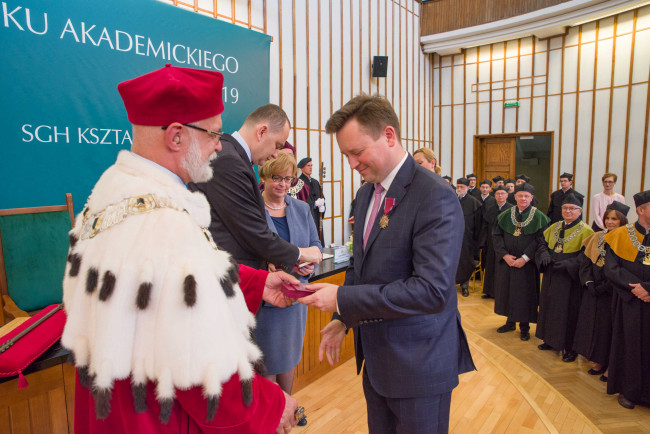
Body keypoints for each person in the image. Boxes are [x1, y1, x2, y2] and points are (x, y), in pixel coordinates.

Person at [61, 64, 302, 433]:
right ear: (176, 137)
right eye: (213, 135)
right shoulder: (164, 221)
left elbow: (163, 287)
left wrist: (253, 284)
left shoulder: (108, 194)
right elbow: (199, 360)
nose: (219, 146)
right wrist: (271, 404)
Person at [300, 95, 475, 433]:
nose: (351, 164)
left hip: (418, 367)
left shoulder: (434, 195)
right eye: (345, 155)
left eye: (357, 152)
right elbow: (360, 267)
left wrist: (340, 299)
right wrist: (342, 318)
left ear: (389, 135)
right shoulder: (367, 193)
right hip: (378, 364)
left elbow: (431, 291)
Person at [189, 104, 322, 271]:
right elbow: (251, 231)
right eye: (277, 145)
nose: (276, 154)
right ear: (261, 132)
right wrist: (299, 254)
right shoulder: (229, 161)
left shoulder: (234, 157)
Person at [255, 153, 322, 426]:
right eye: (276, 178)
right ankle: (270, 420)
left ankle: (287, 411)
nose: (282, 184)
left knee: (290, 358)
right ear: (264, 178)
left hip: (295, 299)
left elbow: (316, 246)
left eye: (287, 179)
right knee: (267, 364)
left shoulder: (301, 208)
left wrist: (309, 266)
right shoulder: (253, 210)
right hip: (265, 301)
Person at [603, 190, 650, 410]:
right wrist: (637, 289)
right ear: (641, 210)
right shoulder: (619, 235)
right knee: (629, 346)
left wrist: (648, 289)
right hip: (629, 301)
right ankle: (629, 392)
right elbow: (612, 269)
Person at [573, 201, 629, 381]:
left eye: (614, 219)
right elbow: (585, 262)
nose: (610, 222)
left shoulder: (626, 239)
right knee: (593, 324)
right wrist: (589, 283)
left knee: (608, 327)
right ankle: (596, 357)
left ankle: (608, 363)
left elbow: (624, 269)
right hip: (593, 289)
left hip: (612, 291)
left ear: (622, 220)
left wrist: (606, 286)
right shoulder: (597, 236)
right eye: (607, 218)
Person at [536, 193, 594, 361]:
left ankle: (570, 347)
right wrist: (544, 255)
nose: (568, 211)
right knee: (549, 305)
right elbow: (541, 243)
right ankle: (550, 339)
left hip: (570, 278)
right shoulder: (554, 226)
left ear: (580, 211)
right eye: (565, 208)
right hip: (551, 273)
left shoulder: (586, 230)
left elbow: (586, 256)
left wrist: (568, 264)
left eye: (572, 209)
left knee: (568, 311)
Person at [492, 183, 550, 341]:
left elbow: (541, 239)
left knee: (524, 294)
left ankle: (524, 327)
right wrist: (504, 255)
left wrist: (525, 258)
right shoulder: (505, 215)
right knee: (508, 291)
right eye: (520, 195)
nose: (523, 198)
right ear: (515, 197)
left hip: (527, 264)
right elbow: (496, 236)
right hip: (508, 262)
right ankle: (509, 322)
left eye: (526, 196)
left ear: (531, 198)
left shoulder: (539, 217)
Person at [480, 186, 513, 299]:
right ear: (494, 195)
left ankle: (502, 293)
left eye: (502, 193)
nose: (500, 195)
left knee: (502, 268)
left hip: (505, 244)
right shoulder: (490, 208)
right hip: (491, 242)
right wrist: (483, 242)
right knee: (490, 266)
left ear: (507, 195)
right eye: (498, 193)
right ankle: (489, 291)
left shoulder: (511, 209)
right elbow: (485, 226)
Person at [456, 177, 483, 297]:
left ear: (467, 188)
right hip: (451, 238)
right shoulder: (452, 199)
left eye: (462, 187)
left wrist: (475, 241)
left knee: (465, 262)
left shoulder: (475, 203)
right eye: (458, 187)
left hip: (467, 239)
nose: (459, 189)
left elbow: (478, 225)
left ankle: (464, 285)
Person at [297, 157, 326, 239]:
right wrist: (314, 204)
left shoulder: (315, 182)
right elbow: (300, 202)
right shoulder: (299, 183)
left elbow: (322, 197)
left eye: (311, 165)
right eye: (308, 166)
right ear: (302, 168)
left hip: (317, 216)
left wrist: (322, 207)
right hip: (308, 218)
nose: (310, 168)